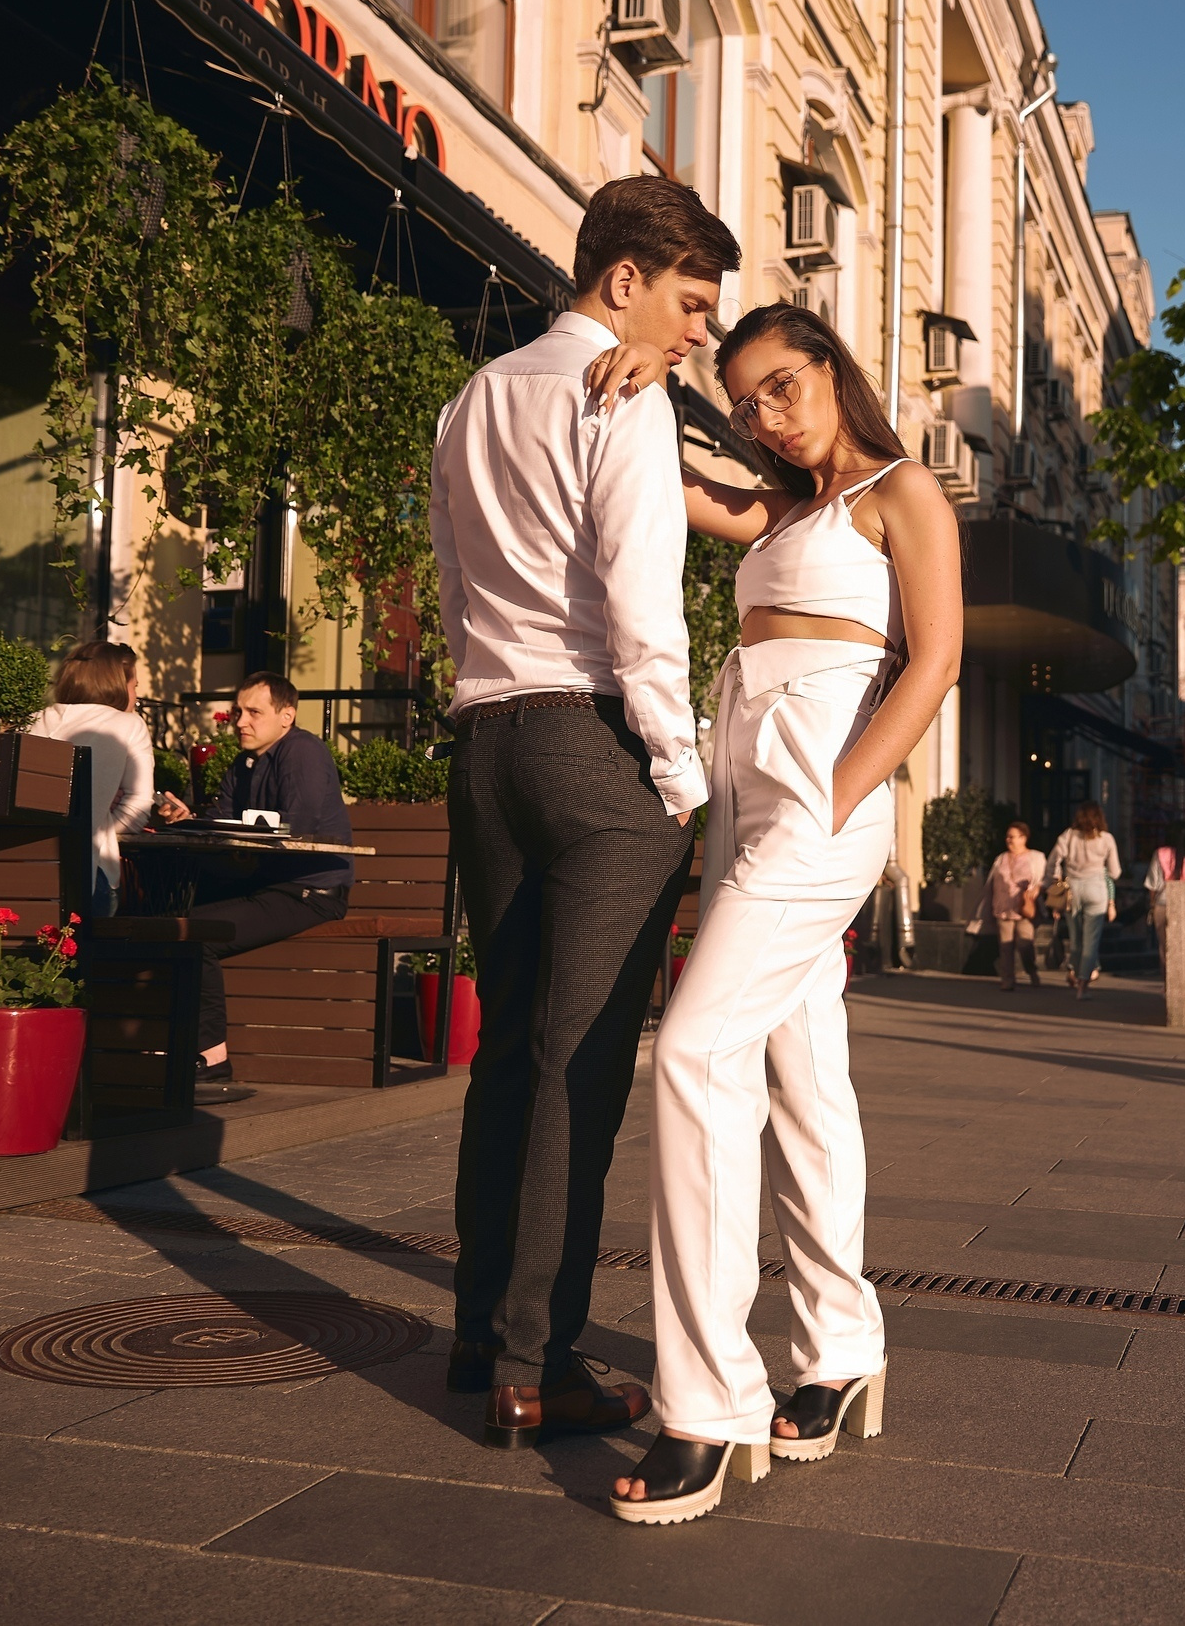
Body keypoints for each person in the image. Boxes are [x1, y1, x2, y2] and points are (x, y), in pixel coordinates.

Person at [595, 299, 961, 1526]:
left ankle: (707, 1402)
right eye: (745, 398)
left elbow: (936, 659)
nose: (765, 413)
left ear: (832, 370)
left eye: (783, 385)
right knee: (805, 1073)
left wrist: (844, 792)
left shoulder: (900, 493)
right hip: (746, 776)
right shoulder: (779, 510)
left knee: (695, 1052)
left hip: (817, 782)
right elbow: (673, 479)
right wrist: (643, 365)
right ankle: (839, 1349)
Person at [426, 176, 735, 1464]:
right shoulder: (627, 399)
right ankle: (535, 1367)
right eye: (691, 303)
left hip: (486, 739)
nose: (701, 334)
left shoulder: (472, 397)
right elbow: (641, 606)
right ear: (624, 281)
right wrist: (680, 773)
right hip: (596, 746)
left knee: (509, 1054)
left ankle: (479, 1332)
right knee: (580, 1064)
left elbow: (450, 574)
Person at [151, 672, 352, 1083]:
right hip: (263, 884)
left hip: (310, 890)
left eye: (253, 712)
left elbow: (299, 827)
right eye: (239, 711)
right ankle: (162, 1038)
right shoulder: (245, 762)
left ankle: (212, 1058)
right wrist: (187, 819)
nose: (240, 721)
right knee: (164, 916)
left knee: (198, 933)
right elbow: (221, 820)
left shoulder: (302, 753)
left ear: (286, 716)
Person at [33, 641, 155, 917]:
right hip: (83, 882)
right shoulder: (129, 725)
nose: (136, 696)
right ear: (117, 684)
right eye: (135, 686)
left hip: (22, 874)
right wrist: (102, 817)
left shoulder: (31, 720)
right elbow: (137, 811)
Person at [1047, 803, 1122, 998]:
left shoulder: (1069, 835)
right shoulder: (1106, 839)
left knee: (1076, 938)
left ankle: (1074, 971)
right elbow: (1115, 872)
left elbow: (1054, 858)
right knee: (1091, 940)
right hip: (1096, 889)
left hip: (1072, 889)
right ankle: (1083, 984)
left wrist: (1057, 877)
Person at [984, 821, 1046, 989]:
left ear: (1023, 838)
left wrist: (1038, 888)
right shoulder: (1001, 858)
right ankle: (1008, 980)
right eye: (1008, 837)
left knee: (1025, 944)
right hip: (1002, 907)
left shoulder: (1036, 857)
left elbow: (1045, 879)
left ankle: (1031, 970)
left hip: (1024, 908)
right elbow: (991, 883)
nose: (1009, 840)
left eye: (1013, 837)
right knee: (1005, 946)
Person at [1144, 822, 1185, 969]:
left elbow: (1153, 884)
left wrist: (1152, 904)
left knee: (1165, 949)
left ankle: (1168, 985)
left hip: (1163, 903)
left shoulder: (1160, 853)